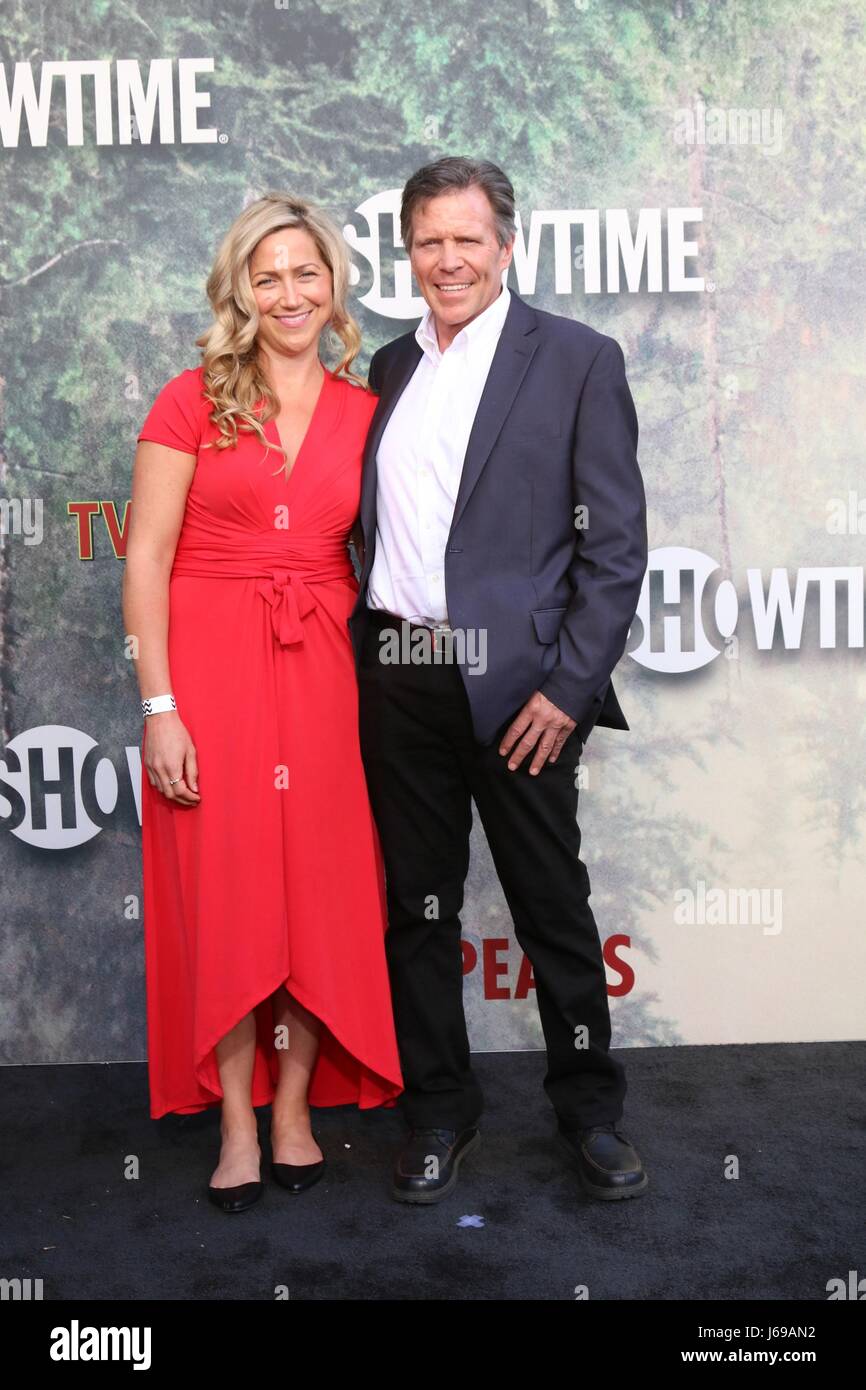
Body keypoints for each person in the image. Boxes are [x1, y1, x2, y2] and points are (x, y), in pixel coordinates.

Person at [349, 156, 649, 1203]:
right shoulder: (388, 368)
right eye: (428, 241)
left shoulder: (573, 359)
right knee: (416, 908)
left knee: (549, 905)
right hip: (402, 667)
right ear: (408, 251)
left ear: (505, 245)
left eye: (465, 239)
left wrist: (566, 691)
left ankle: (588, 1111)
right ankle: (437, 1109)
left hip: (523, 687)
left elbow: (612, 549)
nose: (447, 260)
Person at [123, 191, 403, 1214]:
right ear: (240, 289)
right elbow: (146, 558)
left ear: (332, 286)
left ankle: (294, 1109)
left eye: (306, 272)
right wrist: (161, 706)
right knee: (232, 895)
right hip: (210, 671)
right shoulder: (190, 400)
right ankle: (236, 1123)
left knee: (319, 899)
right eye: (267, 274)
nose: (288, 291)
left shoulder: (368, 414)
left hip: (326, 675)